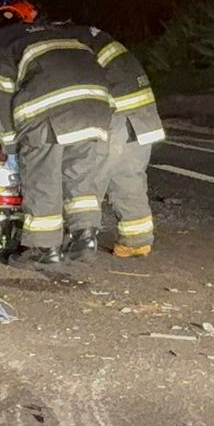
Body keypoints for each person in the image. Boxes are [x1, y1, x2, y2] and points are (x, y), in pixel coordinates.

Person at [0, 4, 114, 268]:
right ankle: (85, 239)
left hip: (50, 108)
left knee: (42, 177)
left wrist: (9, 147)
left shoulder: (0, 44)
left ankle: (44, 249)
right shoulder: (57, 33)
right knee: (80, 175)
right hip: (97, 104)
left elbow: (1, 97)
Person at [80, 30, 164, 257]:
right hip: (142, 110)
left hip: (113, 112)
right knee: (128, 176)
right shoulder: (91, 36)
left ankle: (79, 239)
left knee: (89, 176)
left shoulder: (66, 43)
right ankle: (136, 241)